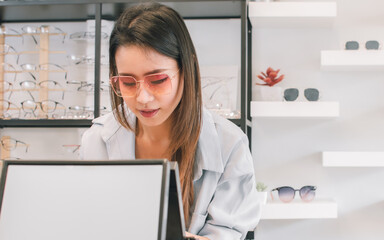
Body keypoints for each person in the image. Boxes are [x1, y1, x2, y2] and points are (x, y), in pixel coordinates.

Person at [80, 2, 261, 240]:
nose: (142, 98)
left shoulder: (229, 145)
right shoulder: (96, 140)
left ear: (186, 68)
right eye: (128, 82)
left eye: (157, 80)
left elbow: (227, 232)